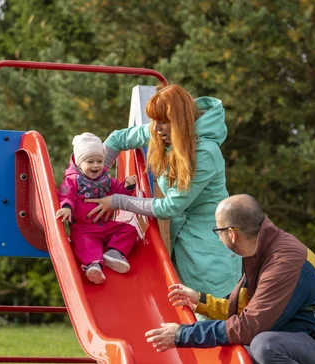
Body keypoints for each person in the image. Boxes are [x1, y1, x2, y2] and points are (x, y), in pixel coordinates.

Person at [144, 194, 315, 364]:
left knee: (263, 345)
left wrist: (183, 334)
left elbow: (249, 326)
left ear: (231, 233)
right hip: (311, 340)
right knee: (251, 346)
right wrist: (201, 301)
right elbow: (249, 310)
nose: (218, 235)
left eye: (217, 230)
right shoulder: (263, 251)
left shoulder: (283, 262)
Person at [83, 85, 242, 299]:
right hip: (184, 240)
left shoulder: (206, 153)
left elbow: (171, 206)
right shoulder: (161, 133)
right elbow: (117, 139)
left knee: (211, 316)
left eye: (163, 121)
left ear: (180, 121)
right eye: (154, 121)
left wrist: (117, 201)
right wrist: (95, 179)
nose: (156, 128)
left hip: (210, 249)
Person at [56, 132, 139, 284]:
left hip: (106, 226)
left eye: (99, 161)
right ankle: (93, 266)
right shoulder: (73, 180)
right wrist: (67, 208)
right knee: (85, 244)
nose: (96, 165)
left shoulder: (105, 179)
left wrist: (127, 186)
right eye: (90, 161)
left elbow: (117, 192)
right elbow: (65, 195)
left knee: (130, 230)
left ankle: (114, 252)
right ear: (79, 163)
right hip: (84, 229)